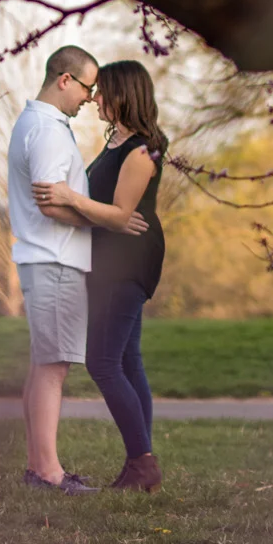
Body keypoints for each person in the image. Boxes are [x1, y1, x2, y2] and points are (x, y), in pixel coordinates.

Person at [6, 45, 144, 493]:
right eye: (87, 87)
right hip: (55, 259)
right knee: (53, 368)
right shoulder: (46, 130)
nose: (90, 98)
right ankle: (48, 473)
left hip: (47, 258)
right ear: (64, 80)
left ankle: (36, 467)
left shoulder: (41, 123)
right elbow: (51, 203)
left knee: (42, 365)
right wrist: (106, 220)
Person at [35, 59, 167, 491]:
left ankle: (142, 463)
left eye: (102, 91)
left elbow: (121, 214)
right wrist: (90, 212)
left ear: (124, 94)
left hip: (127, 261)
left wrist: (70, 197)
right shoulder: (119, 143)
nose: (94, 99)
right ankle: (141, 465)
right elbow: (109, 214)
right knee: (128, 359)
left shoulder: (143, 149)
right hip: (112, 256)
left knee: (103, 362)